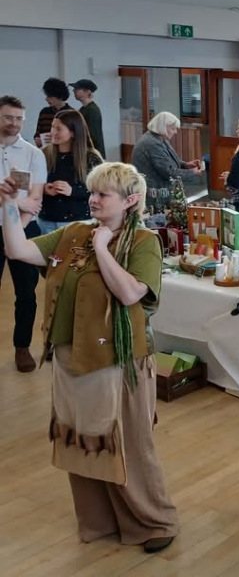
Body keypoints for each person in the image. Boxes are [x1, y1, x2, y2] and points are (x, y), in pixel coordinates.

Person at [0, 162, 178, 551]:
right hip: (71, 357)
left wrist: (102, 247)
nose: (93, 200)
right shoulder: (74, 233)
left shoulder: (143, 241)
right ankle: (100, 521)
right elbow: (17, 249)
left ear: (130, 201)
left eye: (102, 194)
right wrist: (9, 205)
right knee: (82, 443)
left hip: (119, 360)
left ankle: (155, 522)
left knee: (129, 444)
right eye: (93, 192)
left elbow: (130, 294)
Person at [0, 95, 46, 372]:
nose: (14, 123)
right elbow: (25, 200)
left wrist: (18, 225)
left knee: (27, 293)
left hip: (25, 229)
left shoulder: (33, 153)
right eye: (8, 117)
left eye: (19, 118)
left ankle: (23, 347)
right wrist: (18, 202)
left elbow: (35, 200)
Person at [38, 109, 103, 236]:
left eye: (58, 129)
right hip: (47, 220)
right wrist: (44, 189)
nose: (53, 132)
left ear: (73, 133)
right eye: (52, 127)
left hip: (79, 222)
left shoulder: (91, 157)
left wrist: (73, 191)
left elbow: (102, 189)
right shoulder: (43, 153)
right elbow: (31, 184)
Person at [130, 112, 203, 193]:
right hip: (153, 191)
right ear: (163, 127)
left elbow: (168, 161)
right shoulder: (152, 144)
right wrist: (192, 172)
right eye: (173, 128)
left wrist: (185, 165)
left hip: (159, 188)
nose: (175, 132)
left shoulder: (159, 138)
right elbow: (168, 172)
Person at [70, 79, 105, 158]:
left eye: (77, 89)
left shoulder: (92, 110)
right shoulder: (84, 109)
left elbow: (93, 135)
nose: (74, 91)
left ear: (87, 92)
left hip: (92, 154)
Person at [34, 77, 71, 147]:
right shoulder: (44, 112)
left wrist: (57, 139)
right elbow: (37, 134)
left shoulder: (72, 113)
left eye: (50, 96)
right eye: (47, 95)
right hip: (46, 151)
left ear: (60, 96)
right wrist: (37, 140)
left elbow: (77, 139)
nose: (46, 99)